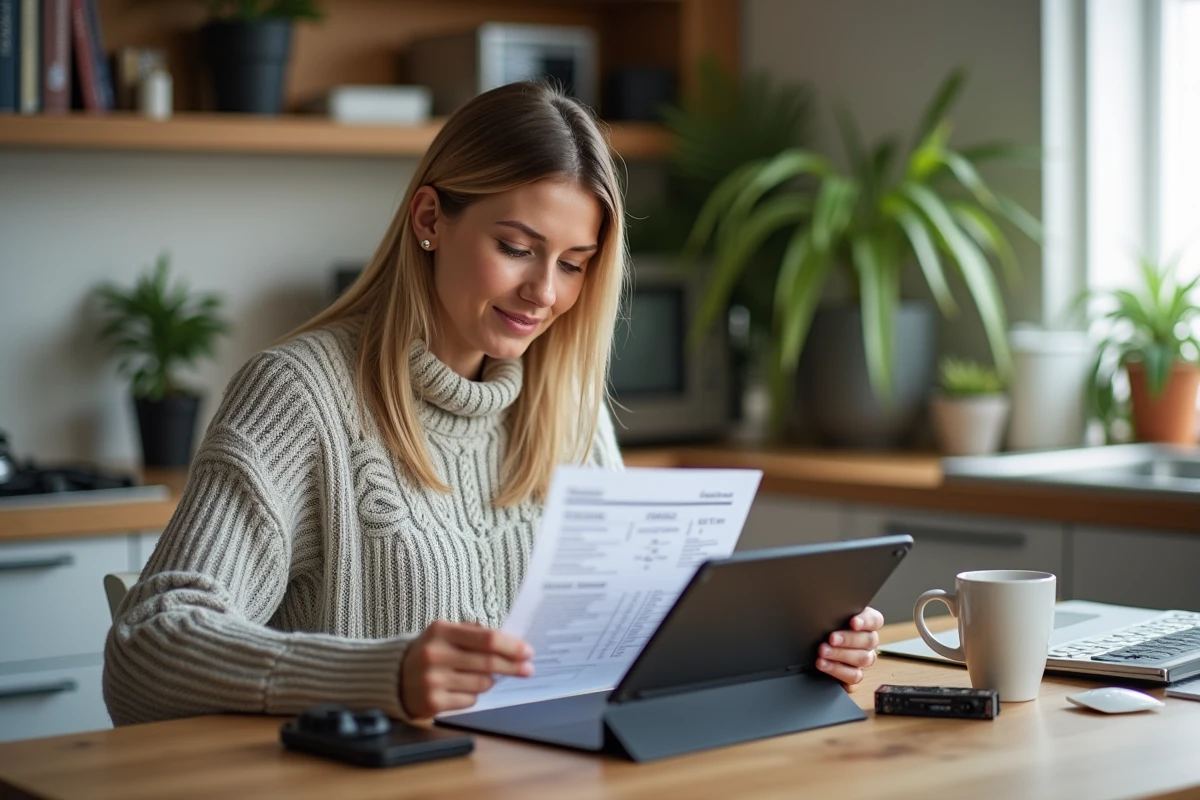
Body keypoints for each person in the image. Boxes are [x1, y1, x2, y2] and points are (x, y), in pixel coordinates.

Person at [102, 81, 884, 726]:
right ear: (430, 220)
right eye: (517, 248)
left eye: (573, 264)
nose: (544, 293)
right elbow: (145, 648)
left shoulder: (569, 409)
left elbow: (634, 646)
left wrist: (792, 652)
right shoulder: (300, 396)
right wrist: (383, 675)